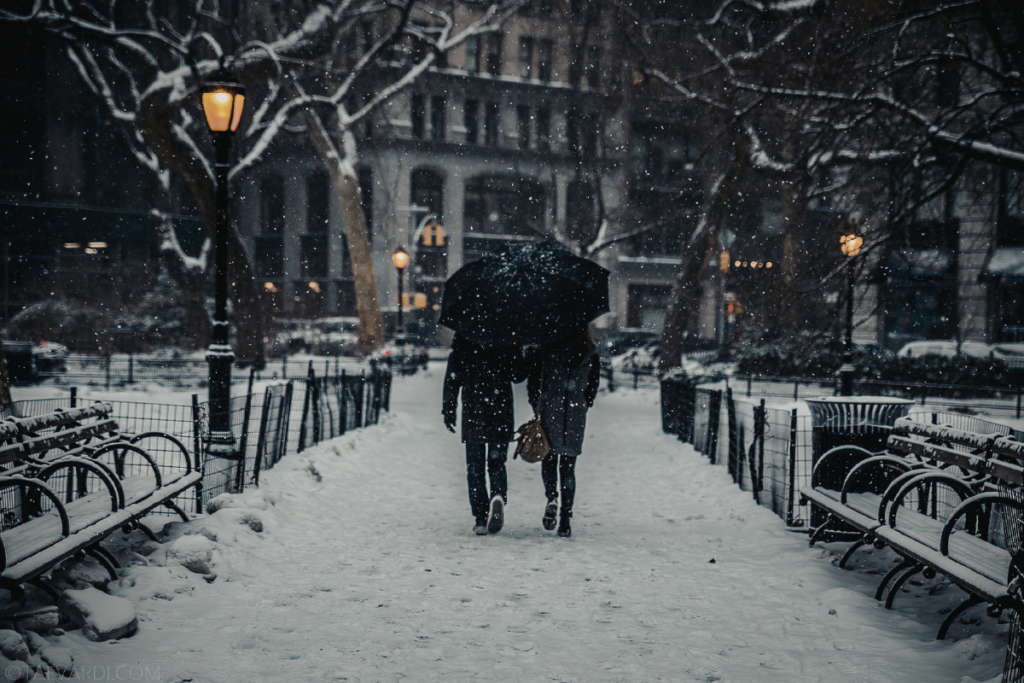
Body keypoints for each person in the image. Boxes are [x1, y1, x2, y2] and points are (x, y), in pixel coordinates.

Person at [443, 334, 525, 535]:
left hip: (474, 409)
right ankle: (497, 495)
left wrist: (449, 408)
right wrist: (522, 353)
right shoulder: (506, 334)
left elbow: (453, 376)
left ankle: (480, 517)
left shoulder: (465, 336)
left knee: (474, 466)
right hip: (501, 408)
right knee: (496, 462)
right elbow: (518, 375)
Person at [527, 326, 601, 538]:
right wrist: (584, 401)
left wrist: (537, 403)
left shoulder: (547, 349)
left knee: (548, 457)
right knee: (568, 466)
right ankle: (566, 519)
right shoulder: (589, 351)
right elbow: (593, 383)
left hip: (551, 406)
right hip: (575, 411)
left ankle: (552, 497)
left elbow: (534, 381)